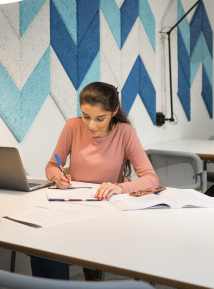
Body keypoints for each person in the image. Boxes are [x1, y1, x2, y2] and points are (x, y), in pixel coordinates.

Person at [31, 81, 158, 281]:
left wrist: (118, 187)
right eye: (86, 116)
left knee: (56, 244)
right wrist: (57, 176)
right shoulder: (72, 126)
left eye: (100, 119)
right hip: (71, 206)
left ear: (114, 111)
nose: (91, 125)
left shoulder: (125, 133)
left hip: (104, 213)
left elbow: (151, 179)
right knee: (41, 242)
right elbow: (52, 165)